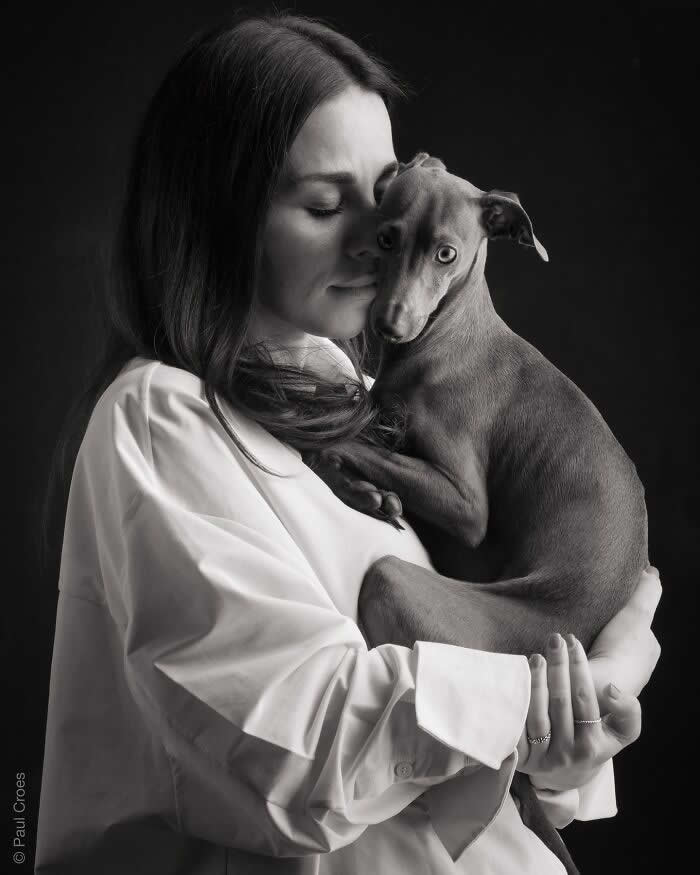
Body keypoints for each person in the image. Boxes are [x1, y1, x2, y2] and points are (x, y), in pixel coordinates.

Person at [35, 11, 661, 875]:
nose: (376, 243)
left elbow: (473, 770)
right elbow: (309, 754)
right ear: (216, 215)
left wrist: (573, 737)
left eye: (387, 198)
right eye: (327, 205)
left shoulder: (362, 407)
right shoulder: (162, 417)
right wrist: (577, 678)